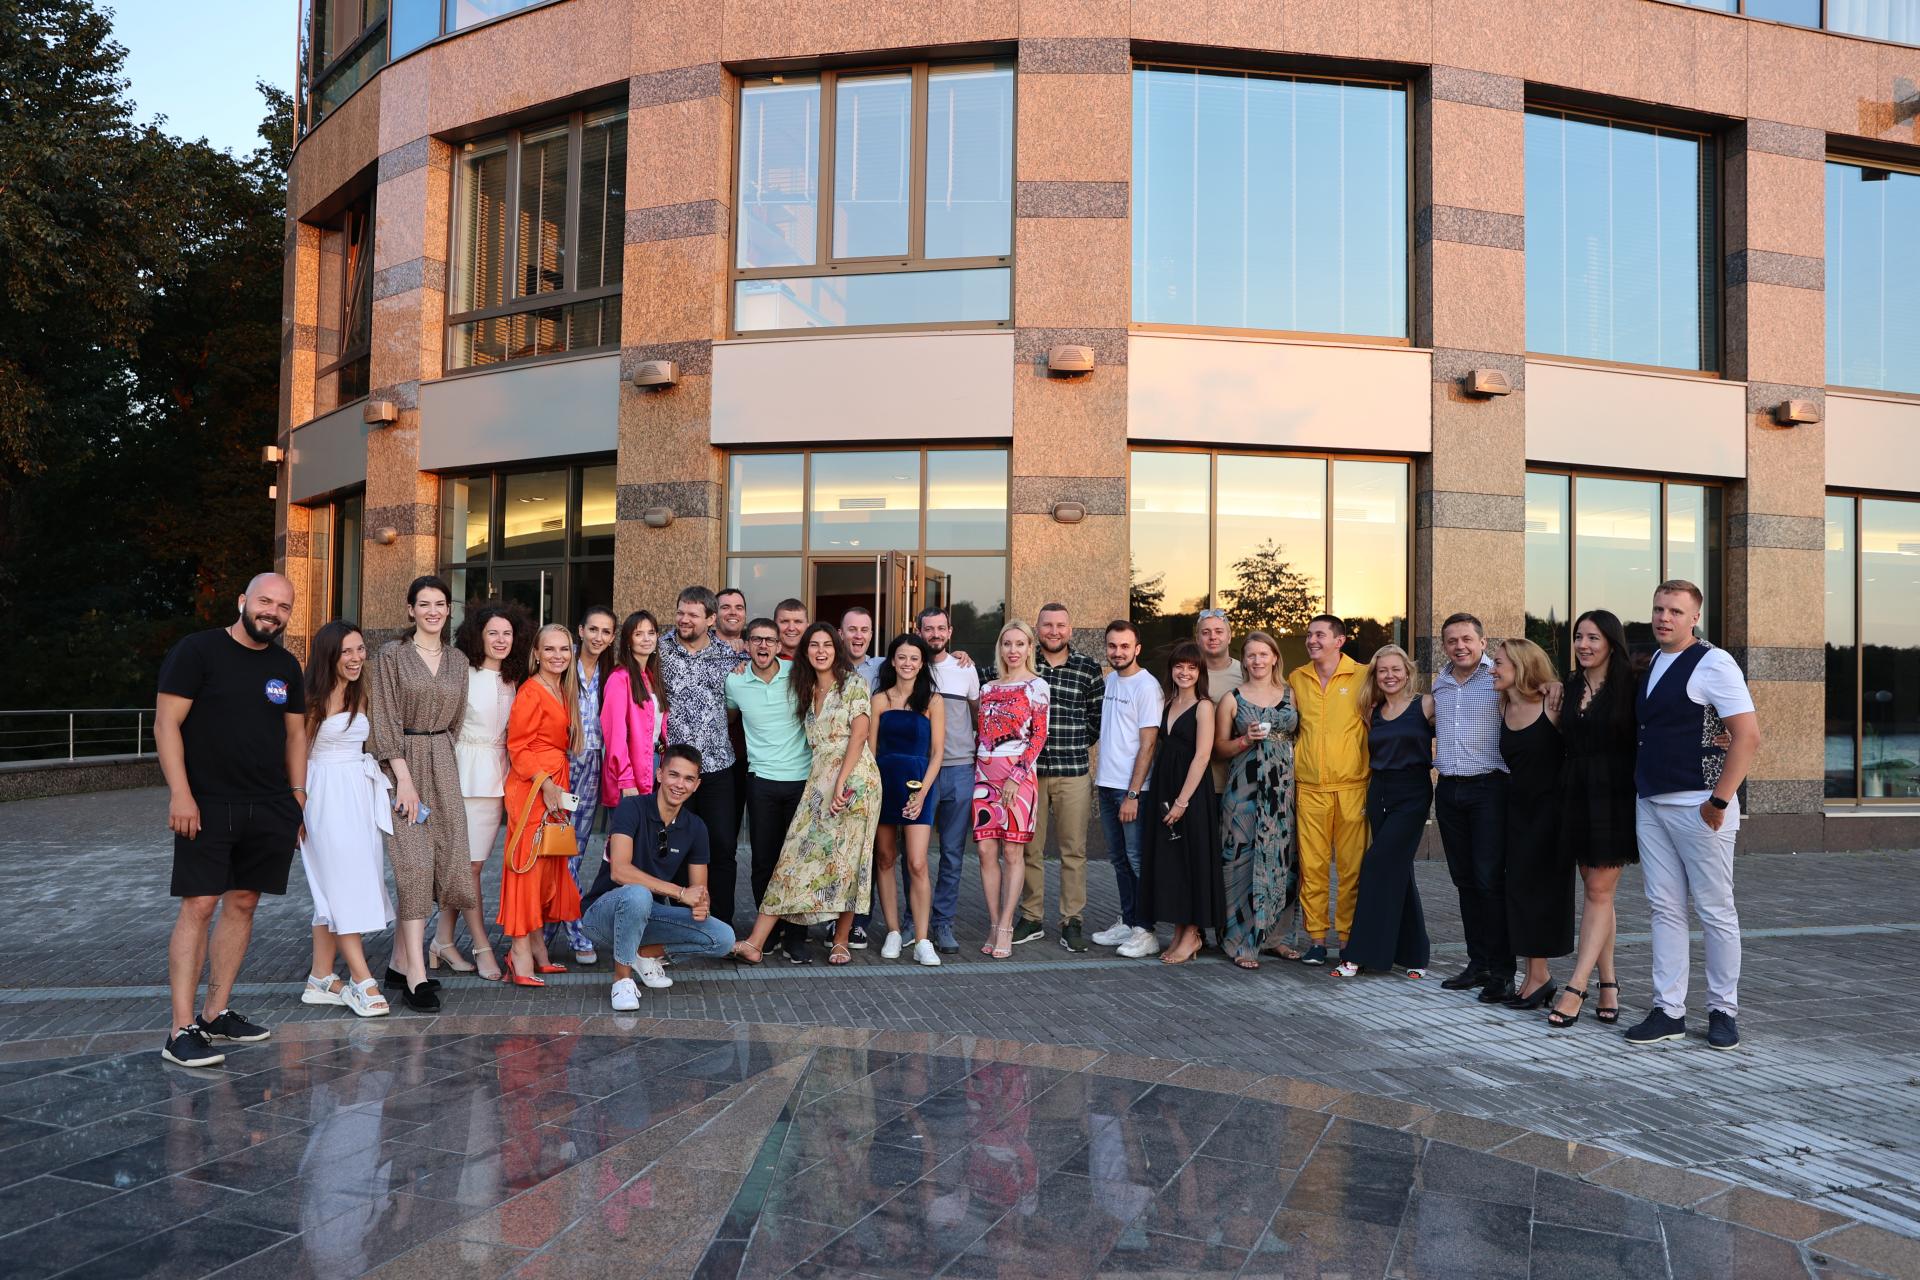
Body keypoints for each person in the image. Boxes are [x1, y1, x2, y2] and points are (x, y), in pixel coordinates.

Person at [155, 572, 307, 1066]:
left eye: (283, 607)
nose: (273, 613)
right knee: (200, 904)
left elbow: (296, 736)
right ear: (243, 600)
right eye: (265, 601)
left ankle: (214, 1014)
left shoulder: (286, 665)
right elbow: (166, 723)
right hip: (207, 803)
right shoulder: (197, 651)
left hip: (269, 804)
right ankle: (180, 1030)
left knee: (243, 902)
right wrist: (181, 794)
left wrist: (297, 799)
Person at [1626, 581, 1759, 1052]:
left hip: (1701, 806)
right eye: (1659, 609)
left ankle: (1723, 1010)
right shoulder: (1653, 661)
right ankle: (1668, 1011)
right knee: (1664, 908)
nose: (1664, 618)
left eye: (1675, 611)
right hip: (1651, 802)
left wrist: (1719, 802)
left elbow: (1747, 736)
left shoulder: (1714, 662)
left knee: (1714, 910)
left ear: (1695, 617)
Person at [730, 623, 882, 965]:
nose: (821, 651)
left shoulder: (853, 683)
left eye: (827, 644)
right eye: (814, 645)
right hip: (817, 780)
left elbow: (860, 734)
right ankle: (756, 942)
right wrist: (741, 664)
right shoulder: (803, 685)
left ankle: (841, 940)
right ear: (805, 651)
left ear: (837, 648)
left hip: (855, 780)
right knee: (792, 858)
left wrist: (842, 782)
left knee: (849, 860)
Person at [369, 575, 473, 1013]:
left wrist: (438, 757)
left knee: (444, 861)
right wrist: (404, 778)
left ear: (449, 609)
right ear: (411, 609)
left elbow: (457, 720)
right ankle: (416, 974)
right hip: (401, 763)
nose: (433, 611)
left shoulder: (458, 661)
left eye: (440, 604)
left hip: (442, 761)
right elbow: (383, 716)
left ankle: (398, 962)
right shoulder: (391, 656)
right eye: (424, 604)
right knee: (412, 866)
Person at [578, 745, 737, 1011]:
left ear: (697, 785)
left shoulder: (696, 827)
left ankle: (644, 954)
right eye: (674, 775)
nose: (680, 784)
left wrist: (701, 904)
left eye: (688, 779)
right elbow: (619, 871)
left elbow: (699, 891)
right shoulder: (631, 807)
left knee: (723, 937)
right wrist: (680, 893)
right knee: (637, 893)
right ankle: (622, 981)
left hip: (648, 915)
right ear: (659, 774)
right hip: (602, 916)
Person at [1547, 610, 1640, 1029]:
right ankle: (1609, 983)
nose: (1583, 645)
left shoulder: (1634, 684)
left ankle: (1576, 986)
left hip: (1615, 795)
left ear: (1611, 643)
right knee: (1597, 892)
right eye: (1578, 637)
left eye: (1593, 638)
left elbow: (1668, 722)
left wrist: (1717, 737)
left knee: (1599, 890)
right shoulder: (1568, 685)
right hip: (1575, 793)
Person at [297, 620, 394, 1017]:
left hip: (358, 794)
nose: (356, 658)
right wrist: (295, 806)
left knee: (339, 884)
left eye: (360, 649)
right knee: (340, 887)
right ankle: (362, 979)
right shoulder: (311, 699)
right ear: (329, 656)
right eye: (347, 652)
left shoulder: (360, 691)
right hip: (323, 795)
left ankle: (320, 977)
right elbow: (295, 755)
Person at [437, 601, 528, 981]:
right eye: (493, 633)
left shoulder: (513, 677)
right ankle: (481, 946)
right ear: (478, 636)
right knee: (469, 867)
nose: (501, 640)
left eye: (507, 633)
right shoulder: (462, 673)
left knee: (470, 865)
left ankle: (442, 940)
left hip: (496, 777)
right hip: (463, 773)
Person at [1334, 645, 1434, 980]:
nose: (1389, 676)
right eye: (1382, 671)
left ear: (1407, 672)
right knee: (1400, 871)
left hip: (1413, 794)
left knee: (1375, 865)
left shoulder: (1426, 705)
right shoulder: (1372, 710)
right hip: (1379, 792)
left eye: (1396, 669)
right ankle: (1415, 954)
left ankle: (1358, 954)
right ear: (1375, 676)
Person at [1431, 612, 1514, 1002]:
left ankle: (1503, 971)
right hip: (1449, 790)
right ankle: (1477, 963)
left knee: (1489, 881)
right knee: (1463, 881)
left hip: (1489, 790)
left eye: (1467, 639)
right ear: (1444, 646)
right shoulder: (1440, 683)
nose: (1459, 646)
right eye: (1452, 641)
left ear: (1483, 642)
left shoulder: (1498, 679)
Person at [498, 624, 586, 985]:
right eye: (549, 649)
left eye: (564, 649)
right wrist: (546, 784)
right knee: (527, 867)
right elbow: (517, 746)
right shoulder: (531, 691)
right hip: (533, 787)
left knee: (547, 866)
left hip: (553, 785)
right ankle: (519, 953)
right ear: (536, 653)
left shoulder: (562, 689)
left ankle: (537, 949)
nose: (557, 656)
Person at [727, 617, 817, 964]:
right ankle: (768, 933)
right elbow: (730, 717)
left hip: (800, 780)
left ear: (780, 645)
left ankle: (796, 936)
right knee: (763, 861)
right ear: (747, 644)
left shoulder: (798, 674)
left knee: (796, 861)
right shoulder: (735, 682)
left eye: (769, 640)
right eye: (756, 639)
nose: (763, 645)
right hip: (760, 780)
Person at [658, 586, 747, 929]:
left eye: (693, 615)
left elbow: (739, 703)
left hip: (718, 767)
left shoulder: (730, 657)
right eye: (681, 612)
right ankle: (682, 922)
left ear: (711, 619)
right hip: (675, 771)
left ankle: (720, 925)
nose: (684, 619)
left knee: (722, 846)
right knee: (674, 846)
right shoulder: (660, 650)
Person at [1286, 614, 1370, 965]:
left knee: (1352, 869)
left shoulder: (1364, 675)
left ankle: (1348, 939)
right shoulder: (1297, 678)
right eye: (1309, 634)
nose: (1312, 640)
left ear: (1339, 640)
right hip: (1309, 788)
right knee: (1313, 868)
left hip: (1352, 787)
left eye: (1320, 634)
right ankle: (1317, 940)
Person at [1216, 630, 1300, 970]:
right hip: (1244, 791)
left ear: (1275, 657)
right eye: (1251, 655)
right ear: (1244, 660)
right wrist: (1243, 741)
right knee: (1241, 861)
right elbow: (1219, 749)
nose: (1257, 660)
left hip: (1282, 790)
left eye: (1263, 654)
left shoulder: (1292, 694)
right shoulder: (1232, 698)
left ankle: (1275, 938)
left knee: (1282, 860)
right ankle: (1239, 942)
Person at [1493, 636, 1569, 1010]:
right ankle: (1533, 976)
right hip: (1517, 811)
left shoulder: (1552, 705)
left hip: (1551, 813)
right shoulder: (1504, 704)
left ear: (1521, 666)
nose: (1492, 670)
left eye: (1499, 664)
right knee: (1519, 893)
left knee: (1541, 894)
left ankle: (1540, 977)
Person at [1023, 603, 1103, 953]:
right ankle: (1031, 916)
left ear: (1070, 630)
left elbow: (1097, 717)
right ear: (1037, 628)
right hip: (1030, 774)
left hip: (1073, 773)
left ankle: (1072, 920)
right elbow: (987, 679)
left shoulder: (1087, 668)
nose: (1054, 631)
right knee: (1030, 849)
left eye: (1060, 625)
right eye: (1047, 625)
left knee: (1074, 851)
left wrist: (1074, 742)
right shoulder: (1025, 663)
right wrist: (960, 658)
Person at [1138, 641, 1220, 965]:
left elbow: (1202, 756)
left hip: (1191, 794)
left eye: (1192, 667)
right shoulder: (1167, 702)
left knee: (1193, 861)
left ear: (1200, 672)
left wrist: (1182, 802)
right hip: (1164, 786)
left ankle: (1193, 934)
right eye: (1179, 666)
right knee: (1173, 864)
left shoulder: (1204, 707)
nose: (1185, 672)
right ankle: (1179, 931)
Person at [973, 622, 1051, 959]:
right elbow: (982, 734)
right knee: (985, 851)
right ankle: (993, 923)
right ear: (1000, 647)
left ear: (1030, 648)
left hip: (1017, 777)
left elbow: (1039, 736)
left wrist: (1016, 776)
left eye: (1020, 644)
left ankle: (1006, 925)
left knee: (1012, 852)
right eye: (1007, 643)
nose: (1013, 650)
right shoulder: (987, 688)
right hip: (984, 774)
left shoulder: (1037, 686)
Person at [599, 609, 668, 978]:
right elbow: (615, 736)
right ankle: (611, 933)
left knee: (639, 859)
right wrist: (626, 781)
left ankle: (638, 940)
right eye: (638, 633)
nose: (645, 638)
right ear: (627, 640)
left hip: (651, 777)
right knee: (621, 863)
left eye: (651, 632)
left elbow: (656, 732)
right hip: (629, 781)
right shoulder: (620, 678)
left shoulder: (651, 677)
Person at [870, 633, 944, 966]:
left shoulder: (933, 701)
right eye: (902, 657)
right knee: (885, 858)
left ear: (922, 663)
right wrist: (872, 789)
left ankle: (923, 939)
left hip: (919, 786)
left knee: (917, 862)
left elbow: (937, 753)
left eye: (914, 658)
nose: (908, 663)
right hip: (883, 784)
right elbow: (870, 751)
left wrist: (922, 792)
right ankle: (893, 931)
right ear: (892, 660)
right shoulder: (879, 700)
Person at [1093, 620, 1163, 957]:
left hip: (1132, 790)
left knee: (1137, 860)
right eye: (1112, 646)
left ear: (1137, 649)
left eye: (1124, 646)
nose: (1118, 652)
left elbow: (1148, 745)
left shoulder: (1147, 687)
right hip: (1107, 784)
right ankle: (1129, 919)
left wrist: (1133, 794)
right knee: (1119, 860)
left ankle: (1146, 931)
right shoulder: (1110, 680)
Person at [553, 606, 616, 965]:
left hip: (593, 766)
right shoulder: (564, 663)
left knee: (573, 851)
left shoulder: (611, 672)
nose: (598, 637)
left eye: (605, 632)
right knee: (558, 849)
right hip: (561, 763)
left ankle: (548, 930)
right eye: (593, 629)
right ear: (580, 630)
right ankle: (577, 933)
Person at [919, 606, 979, 955]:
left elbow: (977, 716)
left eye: (941, 628)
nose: (935, 634)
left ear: (950, 632)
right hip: (920, 771)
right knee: (914, 854)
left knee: (953, 853)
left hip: (959, 770)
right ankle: (914, 921)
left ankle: (943, 923)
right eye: (929, 629)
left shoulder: (965, 669)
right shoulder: (909, 665)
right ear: (919, 632)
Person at [843, 605, 885, 688]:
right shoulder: (829, 668)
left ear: (870, 635)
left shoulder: (883, 666)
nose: (858, 636)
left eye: (864, 630)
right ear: (841, 634)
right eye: (852, 629)